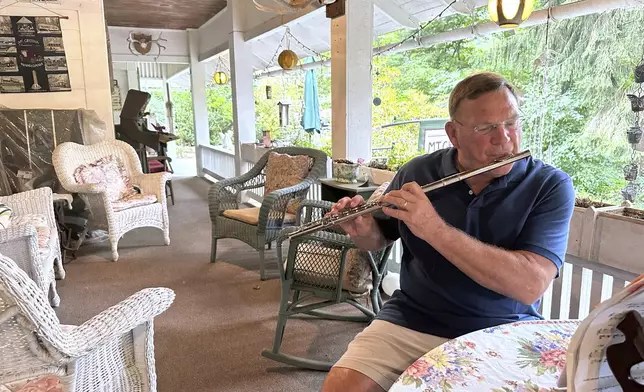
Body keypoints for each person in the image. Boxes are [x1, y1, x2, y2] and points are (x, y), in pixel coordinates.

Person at [320, 72, 575, 392]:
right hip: (410, 319)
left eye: (511, 123)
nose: (504, 139)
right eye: (486, 128)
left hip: (500, 329)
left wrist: (434, 229)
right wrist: (362, 228)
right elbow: (379, 238)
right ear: (453, 134)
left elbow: (530, 285)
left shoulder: (549, 185)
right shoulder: (417, 171)